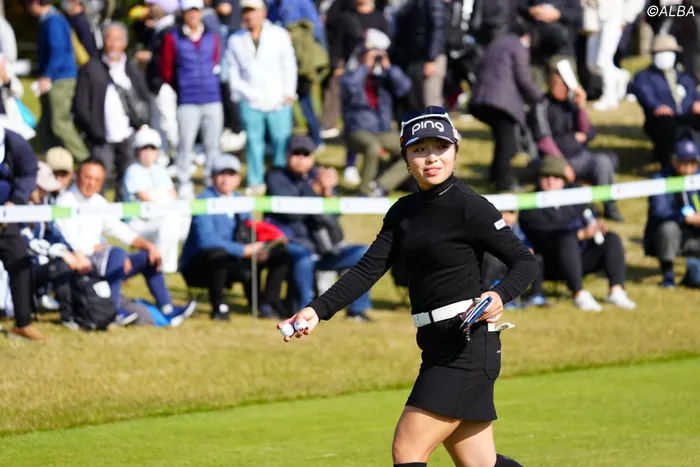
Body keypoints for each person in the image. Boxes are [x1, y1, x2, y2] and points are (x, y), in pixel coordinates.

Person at [277, 107, 538, 466]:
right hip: (435, 344)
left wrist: (498, 293)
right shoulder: (402, 212)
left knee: (408, 450)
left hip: (466, 345)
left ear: (455, 150)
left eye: (441, 147)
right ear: (404, 157)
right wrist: (316, 310)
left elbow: (525, 261)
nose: (431, 158)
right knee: (480, 464)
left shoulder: (471, 207)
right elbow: (367, 270)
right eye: (419, 149)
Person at [54, 158, 196, 322]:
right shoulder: (64, 203)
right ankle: (113, 312)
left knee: (148, 257)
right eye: (88, 177)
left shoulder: (98, 202)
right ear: (77, 176)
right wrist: (103, 250)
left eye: (97, 180)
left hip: (101, 260)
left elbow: (119, 229)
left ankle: (168, 308)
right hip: (79, 263)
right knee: (116, 254)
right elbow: (67, 241)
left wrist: (148, 246)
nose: (91, 183)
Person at [267, 135, 374, 321]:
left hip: (324, 247)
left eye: (306, 154)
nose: (301, 158)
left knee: (363, 254)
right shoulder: (276, 177)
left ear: (313, 157)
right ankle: (304, 310)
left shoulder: (318, 176)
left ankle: (357, 310)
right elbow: (292, 214)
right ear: (287, 155)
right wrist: (316, 189)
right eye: (296, 153)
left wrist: (328, 192)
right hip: (292, 243)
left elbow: (334, 216)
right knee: (304, 256)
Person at [180, 154, 291, 320]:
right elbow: (206, 240)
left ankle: (267, 304)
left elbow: (249, 229)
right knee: (218, 254)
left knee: (280, 254)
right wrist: (243, 250)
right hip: (201, 263)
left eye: (231, 174)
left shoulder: (240, 200)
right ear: (213, 176)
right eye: (221, 174)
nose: (226, 179)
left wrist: (261, 247)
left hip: (235, 258)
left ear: (238, 178)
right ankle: (218, 307)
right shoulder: (203, 200)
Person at [518, 156, 636, 311]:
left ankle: (616, 290)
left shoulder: (575, 196)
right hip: (548, 262)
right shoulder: (529, 203)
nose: (551, 181)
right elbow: (543, 235)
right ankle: (579, 294)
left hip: (579, 256)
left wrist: (596, 226)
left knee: (611, 238)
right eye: (546, 176)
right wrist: (580, 234)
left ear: (564, 180)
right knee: (566, 239)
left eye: (556, 177)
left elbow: (591, 213)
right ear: (539, 178)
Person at [528, 62, 624, 221]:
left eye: (565, 84)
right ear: (550, 82)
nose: (562, 88)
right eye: (558, 83)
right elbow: (543, 140)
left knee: (604, 162)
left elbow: (587, 132)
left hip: (579, 156)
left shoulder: (571, 104)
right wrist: (561, 165)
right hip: (553, 160)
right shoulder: (541, 105)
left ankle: (610, 206)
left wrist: (581, 107)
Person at [226, 0, 298, 196]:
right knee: (253, 142)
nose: (250, 16)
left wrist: (289, 91)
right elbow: (233, 71)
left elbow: (289, 64)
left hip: (278, 99)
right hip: (251, 99)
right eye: (246, 12)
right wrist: (243, 92)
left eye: (253, 11)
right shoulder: (236, 40)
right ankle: (255, 180)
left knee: (281, 141)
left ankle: (280, 179)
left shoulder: (279, 35)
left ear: (263, 13)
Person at [73, 22, 151, 201]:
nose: (114, 44)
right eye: (110, 38)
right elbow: (81, 105)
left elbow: (144, 98)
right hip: (101, 138)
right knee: (99, 180)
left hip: (129, 135)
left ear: (125, 43)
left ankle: (125, 214)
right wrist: (93, 129)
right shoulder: (91, 68)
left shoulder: (131, 68)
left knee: (128, 181)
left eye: (118, 39)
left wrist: (141, 124)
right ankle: (97, 213)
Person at [469, 19, 544, 192]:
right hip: (501, 101)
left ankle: (494, 177)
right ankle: (504, 182)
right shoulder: (518, 47)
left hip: (482, 97)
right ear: (526, 36)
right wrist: (539, 96)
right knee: (507, 143)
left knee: (502, 138)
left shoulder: (496, 43)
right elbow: (523, 76)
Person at [161, 0, 224, 198]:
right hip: (187, 99)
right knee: (185, 144)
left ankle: (211, 181)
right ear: (183, 14)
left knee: (213, 145)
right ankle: (183, 181)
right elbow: (167, 70)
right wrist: (182, 86)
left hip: (212, 97)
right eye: (189, 11)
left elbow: (216, 60)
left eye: (196, 11)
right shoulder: (173, 38)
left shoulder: (212, 36)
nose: (193, 15)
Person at [339, 32, 413, 196]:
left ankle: (381, 187)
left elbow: (405, 87)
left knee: (414, 151)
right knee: (373, 147)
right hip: (357, 130)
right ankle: (364, 192)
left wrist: (389, 67)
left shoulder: (384, 77)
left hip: (382, 130)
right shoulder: (350, 75)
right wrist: (364, 67)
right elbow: (351, 88)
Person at [25, 0, 89, 161]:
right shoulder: (51, 19)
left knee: (59, 122)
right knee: (46, 122)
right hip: (56, 77)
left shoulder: (54, 20)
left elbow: (58, 52)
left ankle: (86, 160)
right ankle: (49, 160)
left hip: (60, 78)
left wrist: (48, 75)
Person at [0, 127, 45, 341]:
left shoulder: (14, 142)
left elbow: (29, 171)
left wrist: (16, 201)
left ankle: (23, 323)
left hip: (6, 217)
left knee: (21, 264)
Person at [629, 34, 700, 168]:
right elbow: (645, 95)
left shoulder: (683, 75)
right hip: (662, 120)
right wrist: (657, 106)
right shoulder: (644, 76)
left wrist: (697, 102)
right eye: (660, 52)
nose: (665, 56)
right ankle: (669, 164)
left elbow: (693, 94)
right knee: (665, 122)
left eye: (668, 52)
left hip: (687, 116)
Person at [123, 126, 185, 274]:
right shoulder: (132, 171)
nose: (148, 153)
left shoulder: (160, 170)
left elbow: (172, 194)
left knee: (176, 221)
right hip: (138, 222)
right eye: (144, 149)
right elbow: (144, 197)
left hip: (160, 215)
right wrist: (161, 198)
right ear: (137, 151)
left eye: (152, 149)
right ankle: (161, 265)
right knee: (168, 223)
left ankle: (168, 264)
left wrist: (160, 199)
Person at [644, 137, 700, 288]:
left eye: (693, 163)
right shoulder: (661, 179)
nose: (690, 168)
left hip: (694, 234)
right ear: (674, 161)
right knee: (668, 228)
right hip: (670, 234)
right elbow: (659, 211)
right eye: (685, 163)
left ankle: (693, 273)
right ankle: (668, 274)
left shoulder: (697, 178)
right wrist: (686, 219)